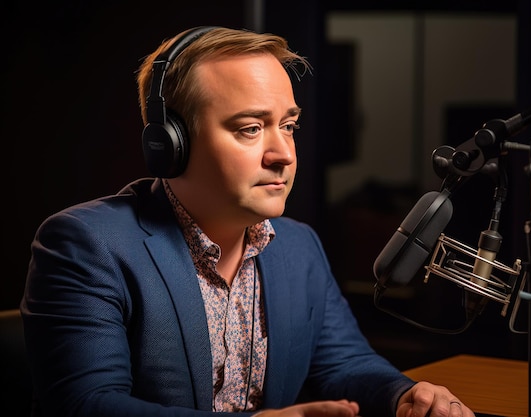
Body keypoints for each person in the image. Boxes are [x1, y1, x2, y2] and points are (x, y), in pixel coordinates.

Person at [21, 26, 475, 417]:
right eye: (250, 128)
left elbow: (344, 363)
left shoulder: (299, 246)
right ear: (169, 143)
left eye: (289, 125)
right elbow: (87, 405)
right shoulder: (85, 244)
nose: (284, 155)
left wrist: (404, 396)